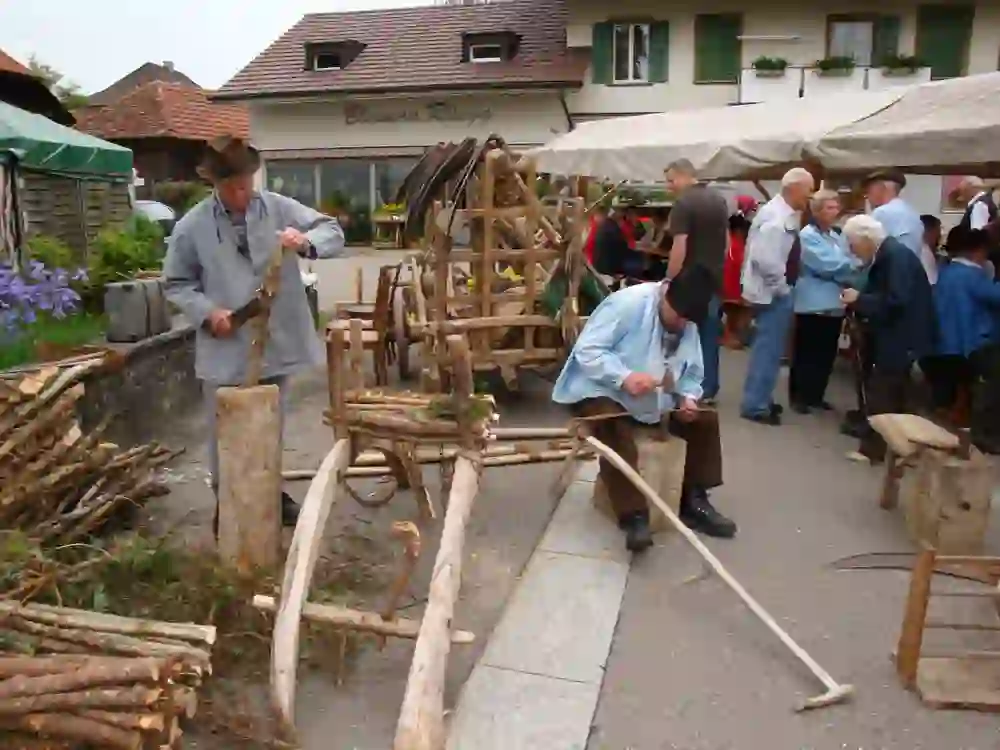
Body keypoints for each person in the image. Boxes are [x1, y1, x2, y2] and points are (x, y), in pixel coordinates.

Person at [163, 136, 346, 534]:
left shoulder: (278, 208)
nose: (241, 193)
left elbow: (331, 230)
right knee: (223, 428)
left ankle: (270, 493)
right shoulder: (191, 226)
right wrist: (208, 313)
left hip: (275, 340)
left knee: (271, 422)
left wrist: (308, 242)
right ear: (214, 184)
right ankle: (226, 500)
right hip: (225, 345)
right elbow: (176, 284)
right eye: (231, 187)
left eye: (246, 183)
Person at [552, 265, 736, 551]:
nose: (682, 325)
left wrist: (687, 397)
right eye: (679, 317)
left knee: (703, 420)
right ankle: (634, 515)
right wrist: (623, 376)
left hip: (653, 399)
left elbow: (691, 374)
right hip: (599, 388)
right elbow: (587, 350)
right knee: (612, 424)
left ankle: (694, 498)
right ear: (666, 295)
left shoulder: (687, 322)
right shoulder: (628, 304)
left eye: (688, 321)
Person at [839, 214, 935, 463]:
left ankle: (875, 450)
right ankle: (906, 452)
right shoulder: (891, 254)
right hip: (901, 335)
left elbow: (896, 299)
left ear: (865, 238)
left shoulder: (895, 257)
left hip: (900, 336)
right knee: (898, 393)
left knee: (883, 392)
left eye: (852, 243)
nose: (852, 249)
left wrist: (859, 299)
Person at [739, 167, 815, 425]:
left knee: (769, 348)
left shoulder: (780, 212)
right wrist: (783, 288)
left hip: (771, 291)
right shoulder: (777, 217)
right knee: (768, 350)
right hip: (772, 293)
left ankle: (761, 398)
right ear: (794, 188)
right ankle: (756, 405)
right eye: (809, 190)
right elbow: (766, 259)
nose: (811, 196)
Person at [925, 229, 1000, 450]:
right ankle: (981, 434)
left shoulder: (946, 271)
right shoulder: (974, 277)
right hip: (968, 345)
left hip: (941, 344)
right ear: (979, 251)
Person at [664, 159, 729, 403]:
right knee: (709, 335)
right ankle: (708, 387)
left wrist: (669, 279)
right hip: (713, 278)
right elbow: (726, 243)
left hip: (689, 279)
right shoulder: (718, 200)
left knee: (682, 333)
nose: (669, 186)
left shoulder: (683, 203)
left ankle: (686, 386)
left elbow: (680, 245)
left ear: (684, 176)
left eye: (671, 180)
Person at [788, 190, 860, 414]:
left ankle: (816, 395)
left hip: (834, 304)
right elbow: (829, 265)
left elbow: (848, 260)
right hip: (813, 303)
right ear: (816, 211)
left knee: (826, 353)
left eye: (836, 207)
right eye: (829, 207)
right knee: (807, 351)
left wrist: (846, 268)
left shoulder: (836, 235)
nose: (834, 211)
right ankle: (800, 397)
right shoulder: (807, 235)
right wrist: (849, 270)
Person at [721, 196, 757, 349]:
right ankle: (730, 335)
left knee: (734, 304)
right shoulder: (742, 223)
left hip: (736, 257)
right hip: (736, 257)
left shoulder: (731, 221)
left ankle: (733, 334)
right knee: (734, 304)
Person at [919, 214, 942, 285]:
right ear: (932, 232)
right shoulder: (925, 253)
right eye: (938, 232)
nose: (940, 236)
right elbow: (932, 283)